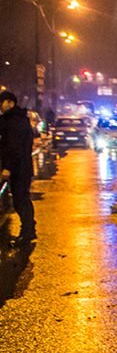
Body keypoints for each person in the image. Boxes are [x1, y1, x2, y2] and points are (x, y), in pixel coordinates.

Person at [0, 91, 37, 246]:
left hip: (18, 168)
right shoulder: (21, 119)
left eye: (1, 103)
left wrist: (7, 168)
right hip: (23, 166)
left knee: (20, 200)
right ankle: (29, 230)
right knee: (22, 199)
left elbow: (13, 147)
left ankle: (27, 232)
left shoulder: (12, 121)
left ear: (10, 103)